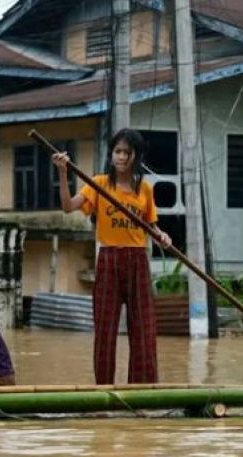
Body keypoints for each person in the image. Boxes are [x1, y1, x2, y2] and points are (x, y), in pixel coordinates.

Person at [52, 128, 171, 385]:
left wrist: (163, 236)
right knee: (105, 330)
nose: (122, 157)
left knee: (144, 330)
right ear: (112, 154)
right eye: (118, 151)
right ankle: (104, 391)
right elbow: (67, 206)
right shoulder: (99, 184)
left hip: (138, 260)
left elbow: (151, 225)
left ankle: (142, 391)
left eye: (127, 153)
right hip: (109, 259)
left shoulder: (145, 189)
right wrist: (63, 173)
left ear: (136, 156)